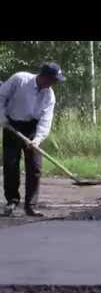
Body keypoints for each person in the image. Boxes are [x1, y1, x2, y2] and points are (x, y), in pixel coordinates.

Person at [0, 62, 65, 217]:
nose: (54, 84)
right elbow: (1, 96)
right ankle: (12, 202)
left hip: (32, 129)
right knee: (11, 165)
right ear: (43, 76)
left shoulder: (49, 96)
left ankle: (31, 205)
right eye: (53, 80)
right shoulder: (20, 79)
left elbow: (45, 120)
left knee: (35, 167)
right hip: (11, 124)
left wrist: (37, 139)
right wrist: (2, 118)